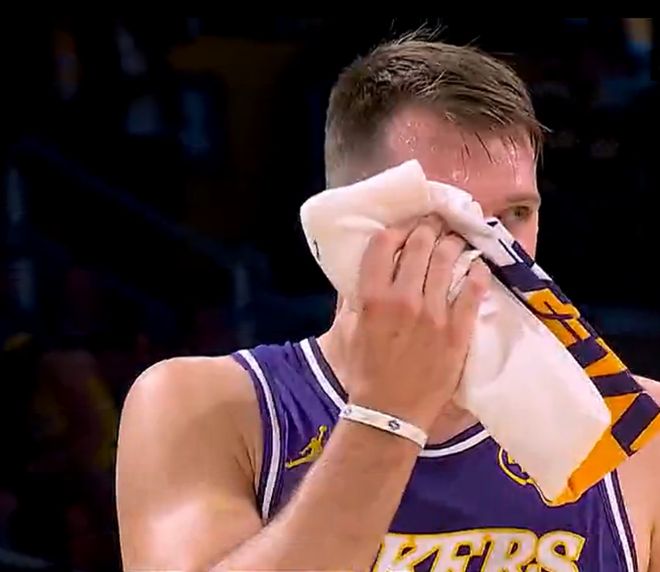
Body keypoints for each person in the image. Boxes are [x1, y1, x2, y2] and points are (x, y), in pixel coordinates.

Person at [115, 35, 660, 571]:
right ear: (348, 226)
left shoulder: (637, 432)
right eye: (449, 214)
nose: (491, 252)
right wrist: (389, 412)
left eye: (515, 214)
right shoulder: (203, 408)